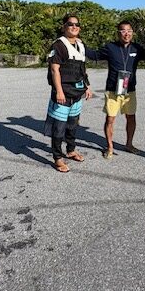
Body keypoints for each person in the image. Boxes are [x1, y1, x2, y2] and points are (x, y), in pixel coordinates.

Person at [86, 21, 145, 159]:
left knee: (131, 117)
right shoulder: (110, 47)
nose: (126, 34)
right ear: (118, 33)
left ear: (132, 33)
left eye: (129, 31)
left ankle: (129, 144)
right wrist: (79, 44)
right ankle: (109, 147)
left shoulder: (137, 48)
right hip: (112, 90)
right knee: (110, 119)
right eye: (123, 31)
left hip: (130, 90)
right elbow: (94, 55)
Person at [44, 14, 92, 172]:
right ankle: (58, 158)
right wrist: (59, 91)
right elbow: (54, 70)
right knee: (59, 128)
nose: (74, 27)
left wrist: (87, 86)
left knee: (72, 125)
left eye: (77, 24)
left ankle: (71, 150)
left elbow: (82, 69)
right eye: (70, 24)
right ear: (64, 26)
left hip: (77, 92)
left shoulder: (80, 45)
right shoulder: (59, 45)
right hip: (63, 92)